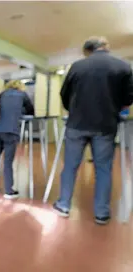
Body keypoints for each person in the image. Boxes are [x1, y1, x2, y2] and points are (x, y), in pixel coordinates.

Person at [54, 37, 133, 225]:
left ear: (87, 51)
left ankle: (64, 204)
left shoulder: (77, 66)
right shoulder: (123, 66)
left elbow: (64, 94)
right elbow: (129, 96)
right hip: (105, 125)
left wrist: (73, 109)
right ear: (106, 47)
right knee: (103, 169)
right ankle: (102, 213)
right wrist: (115, 108)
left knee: (71, 166)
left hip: (77, 124)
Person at [0, 80, 34, 199]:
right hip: (11, 131)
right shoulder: (22, 95)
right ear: (20, 86)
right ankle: (8, 191)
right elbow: (31, 111)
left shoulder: (2, 94)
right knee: (7, 162)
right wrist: (20, 111)